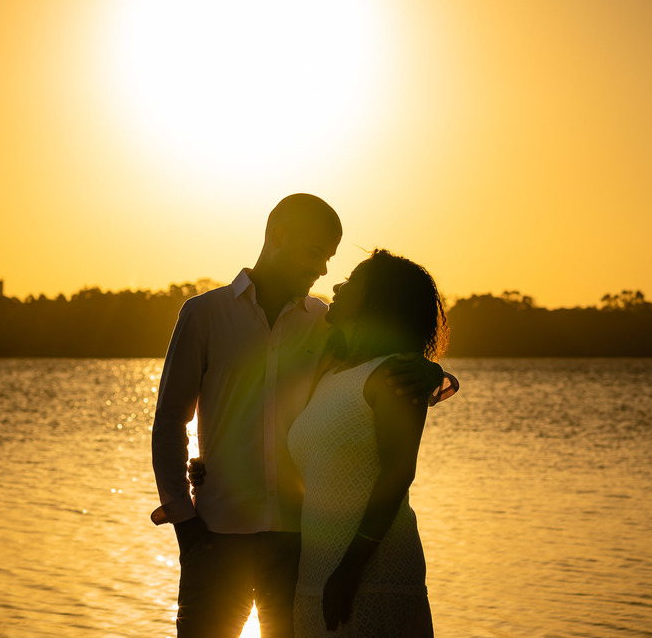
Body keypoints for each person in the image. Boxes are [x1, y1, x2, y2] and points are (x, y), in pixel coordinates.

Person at [151, 194, 454, 638]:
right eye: (316, 253)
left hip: (296, 544)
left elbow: (380, 362)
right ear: (277, 237)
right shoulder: (204, 314)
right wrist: (184, 522)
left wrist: (432, 370)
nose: (324, 270)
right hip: (215, 536)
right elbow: (170, 420)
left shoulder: (324, 322)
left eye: (330, 257)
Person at [288, 249, 447, 637]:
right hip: (315, 578)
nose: (338, 285)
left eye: (353, 280)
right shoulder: (329, 372)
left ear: (379, 299)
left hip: (375, 575)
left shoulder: (396, 375)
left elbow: (397, 474)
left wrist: (349, 570)